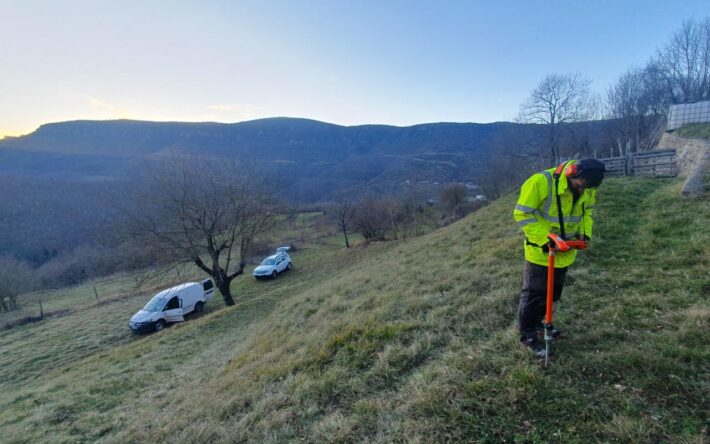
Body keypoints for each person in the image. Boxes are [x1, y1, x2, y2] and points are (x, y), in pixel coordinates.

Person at [513, 158, 606, 357]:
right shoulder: (540, 182)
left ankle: (539, 323)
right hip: (541, 252)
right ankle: (527, 335)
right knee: (535, 294)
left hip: (565, 252)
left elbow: (586, 212)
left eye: (586, 188)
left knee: (553, 294)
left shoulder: (587, 186)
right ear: (573, 172)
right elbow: (522, 214)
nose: (583, 190)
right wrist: (546, 239)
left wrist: (584, 234)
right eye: (580, 185)